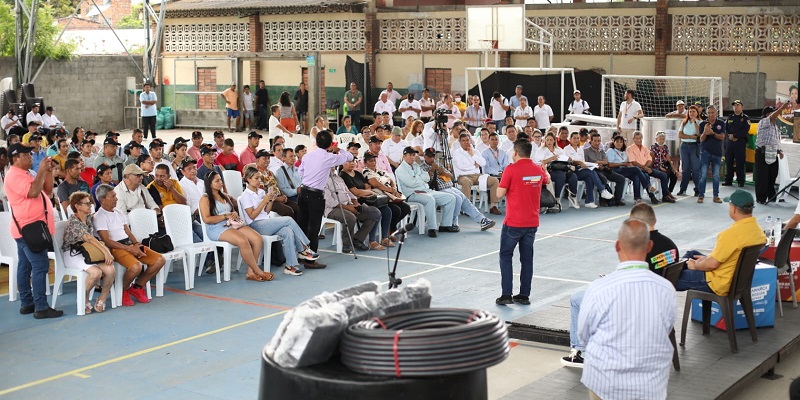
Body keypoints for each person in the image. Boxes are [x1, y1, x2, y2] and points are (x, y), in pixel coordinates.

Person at [577, 219, 676, 400]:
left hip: (605, 384)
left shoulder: (599, 288)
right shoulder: (667, 289)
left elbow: (584, 335)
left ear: (617, 246)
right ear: (650, 246)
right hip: (651, 387)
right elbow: (667, 328)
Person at [676, 189, 766, 298]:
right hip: (734, 279)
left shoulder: (731, 234)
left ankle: (679, 271)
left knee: (668, 277)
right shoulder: (758, 232)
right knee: (692, 253)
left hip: (717, 282)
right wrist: (706, 259)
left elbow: (712, 264)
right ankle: (682, 267)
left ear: (733, 209)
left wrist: (696, 266)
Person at [7, 143, 62, 318]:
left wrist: (47, 172)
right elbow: (32, 192)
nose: (31, 157)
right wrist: (40, 171)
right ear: (16, 159)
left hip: (28, 227)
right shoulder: (14, 176)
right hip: (29, 228)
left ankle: (27, 303)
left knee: (25, 266)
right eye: (26, 155)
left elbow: (46, 190)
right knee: (40, 266)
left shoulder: (26, 173)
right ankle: (40, 307)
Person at [495, 139, 548, 306]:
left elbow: (499, 194)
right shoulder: (537, 169)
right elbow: (546, 179)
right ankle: (524, 294)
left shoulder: (511, 169)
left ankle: (506, 294)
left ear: (515, 152)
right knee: (527, 259)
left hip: (513, 222)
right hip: (531, 221)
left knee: (505, 255)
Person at [94, 184, 165, 306]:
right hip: (115, 248)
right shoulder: (99, 216)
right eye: (113, 196)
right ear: (102, 200)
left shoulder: (118, 212)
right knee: (136, 267)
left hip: (128, 244)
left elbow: (127, 231)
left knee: (160, 260)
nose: (116, 198)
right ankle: (123, 290)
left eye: (116, 195)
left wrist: (136, 244)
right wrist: (129, 249)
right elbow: (107, 241)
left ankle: (137, 287)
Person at [241, 167, 318, 276]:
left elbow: (266, 212)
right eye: (256, 178)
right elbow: (252, 216)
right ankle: (303, 248)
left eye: (260, 178)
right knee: (288, 220)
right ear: (248, 179)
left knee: (287, 231)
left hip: (266, 222)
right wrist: (264, 201)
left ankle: (290, 266)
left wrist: (271, 200)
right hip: (255, 226)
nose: (259, 181)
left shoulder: (261, 192)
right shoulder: (245, 196)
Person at [200, 171, 274, 281]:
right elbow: (206, 219)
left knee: (257, 239)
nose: (221, 182)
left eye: (221, 180)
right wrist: (225, 216)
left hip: (231, 224)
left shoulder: (224, 196)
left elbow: (233, 211)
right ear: (209, 184)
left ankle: (250, 272)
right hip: (216, 227)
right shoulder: (205, 199)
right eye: (217, 181)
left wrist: (234, 214)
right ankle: (257, 270)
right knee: (243, 240)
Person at [297, 130, 353, 267]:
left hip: (303, 192)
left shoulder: (307, 156)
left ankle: (301, 254)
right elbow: (349, 157)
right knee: (314, 227)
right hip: (316, 195)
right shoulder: (329, 158)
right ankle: (310, 260)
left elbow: (300, 173)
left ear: (316, 142)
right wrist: (339, 149)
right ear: (329, 144)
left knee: (303, 225)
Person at [61, 192, 115, 314]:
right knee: (96, 273)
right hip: (72, 253)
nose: (90, 206)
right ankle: (83, 299)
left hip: (88, 251)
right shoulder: (73, 221)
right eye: (87, 204)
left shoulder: (89, 218)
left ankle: (102, 298)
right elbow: (89, 238)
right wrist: (106, 252)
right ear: (77, 206)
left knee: (110, 270)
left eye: (90, 203)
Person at [420, 148, 495, 231]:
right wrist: (432, 170)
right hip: (438, 189)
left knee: (464, 199)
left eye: (433, 156)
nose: (432, 159)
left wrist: (443, 172)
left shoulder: (437, 164)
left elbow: (451, 176)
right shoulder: (422, 168)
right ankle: (452, 222)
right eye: (430, 157)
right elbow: (424, 182)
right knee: (458, 198)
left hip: (449, 186)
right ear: (425, 156)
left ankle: (482, 220)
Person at [395, 146, 457, 237]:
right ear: (404, 156)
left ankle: (445, 225)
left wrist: (417, 178)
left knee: (450, 198)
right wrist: (420, 178)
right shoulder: (400, 169)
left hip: (426, 190)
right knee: (430, 199)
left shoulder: (416, 165)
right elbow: (411, 183)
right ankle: (432, 228)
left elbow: (427, 178)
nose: (412, 157)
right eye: (410, 155)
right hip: (412, 193)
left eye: (413, 155)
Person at [324, 167, 380, 253]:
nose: (333, 166)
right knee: (350, 217)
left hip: (349, 204)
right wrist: (348, 208)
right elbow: (330, 202)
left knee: (373, 213)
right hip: (333, 209)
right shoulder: (322, 180)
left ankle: (357, 239)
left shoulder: (338, 178)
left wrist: (355, 203)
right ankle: (347, 244)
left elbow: (348, 192)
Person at [361, 153, 412, 245]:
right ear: (365, 162)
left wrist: (394, 189)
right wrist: (389, 190)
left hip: (390, 195)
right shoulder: (366, 172)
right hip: (381, 198)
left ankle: (392, 228)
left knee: (406, 208)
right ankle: (388, 232)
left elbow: (391, 180)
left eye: (374, 160)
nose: (373, 163)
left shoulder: (380, 171)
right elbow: (376, 184)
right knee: (395, 210)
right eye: (370, 161)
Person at [339, 159, 389, 250]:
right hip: (358, 200)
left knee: (387, 210)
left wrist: (366, 192)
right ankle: (372, 240)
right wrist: (366, 193)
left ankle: (384, 237)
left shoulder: (358, 174)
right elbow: (355, 192)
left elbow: (368, 187)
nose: (351, 163)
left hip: (365, 198)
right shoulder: (343, 176)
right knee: (374, 212)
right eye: (348, 161)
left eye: (353, 161)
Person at [452, 133, 502, 214]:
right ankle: (466, 208)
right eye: (463, 141)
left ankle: (493, 206)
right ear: (460, 142)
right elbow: (461, 166)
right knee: (466, 182)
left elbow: (483, 163)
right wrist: (474, 165)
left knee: (494, 180)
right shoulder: (456, 152)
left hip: (478, 176)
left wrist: (472, 155)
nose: (466, 142)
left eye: (467, 140)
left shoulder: (475, 151)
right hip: (463, 176)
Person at [564, 132, 614, 208]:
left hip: (581, 169)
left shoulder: (580, 149)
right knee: (590, 172)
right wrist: (579, 162)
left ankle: (589, 201)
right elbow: (568, 162)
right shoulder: (566, 149)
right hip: (572, 171)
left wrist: (590, 165)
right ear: (570, 139)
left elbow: (583, 162)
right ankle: (602, 190)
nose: (576, 140)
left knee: (589, 177)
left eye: (577, 138)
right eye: (574, 138)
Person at [628, 131, 675, 203]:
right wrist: (644, 168)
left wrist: (645, 167)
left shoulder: (645, 148)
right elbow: (633, 162)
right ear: (633, 139)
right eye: (636, 138)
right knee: (644, 176)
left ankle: (665, 195)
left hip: (646, 168)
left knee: (663, 175)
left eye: (640, 138)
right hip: (636, 170)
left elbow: (649, 160)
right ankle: (650, 196)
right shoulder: (630, 149)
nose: (638, 140)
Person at [754, 105, 787, 204]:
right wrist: (781, 108)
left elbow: (775, 141)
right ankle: (761, 198)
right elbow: (772, 116)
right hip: (762, 152)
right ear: (767, 114)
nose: (776, 115)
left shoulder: (775, 127)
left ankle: (771, 196)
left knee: (772, 175)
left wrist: (779, 151)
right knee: (762, 176)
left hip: (772, 152)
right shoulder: (764, 122)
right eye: (772, 113)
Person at [536, 132, 579, 209]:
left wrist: (568, 159)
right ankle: (557, 198)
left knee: (573, 176)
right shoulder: (541, 150)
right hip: (549, 170)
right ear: (545, 140)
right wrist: (551, 158)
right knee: (561, 175)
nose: (549, 142)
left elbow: (565, 159)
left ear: (554, 141)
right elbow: (540, 163)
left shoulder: (559, 150)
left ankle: (573, 195)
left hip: (562, 168)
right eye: (547, 140)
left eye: (551, 140)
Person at [584, 132, 626, 207]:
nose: (597, 143)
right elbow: (585, 163)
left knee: (621, 178)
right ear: (591, 141)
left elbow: (606, 162)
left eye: (599, 141)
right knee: (603, 178)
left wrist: (598, 162)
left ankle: (617, 199)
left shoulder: (602, 151)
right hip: (594, 170)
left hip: (604, 169)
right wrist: (595, 164)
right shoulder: (586, 151)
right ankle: (602, 200)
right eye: (595, 141)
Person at [697, 105, 726, 203]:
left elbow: (722, 137)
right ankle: (701, 195)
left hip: (717, 153)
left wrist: (712, 133)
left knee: (716, 175)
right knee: (703, 175)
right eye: (709, 113)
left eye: (712, 113)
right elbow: (701, 139)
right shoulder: (702, 124)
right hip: (705, 152)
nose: (710, 115)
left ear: (716, 113)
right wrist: (705, 132)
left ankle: (716, 196)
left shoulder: (721, 123)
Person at [677, 105, 702, 197]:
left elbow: (699, 134)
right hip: (684, 146)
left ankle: (698, 189)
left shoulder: (700, 122)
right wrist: (691, 136)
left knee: (695, 169)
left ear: (697, 113)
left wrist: (695, 122)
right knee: (685, 169)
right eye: (690, 112)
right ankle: (683, 189)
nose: (691, 113)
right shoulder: (684, 122)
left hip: (694, 146)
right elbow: (680, 135)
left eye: (693, 112)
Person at [724, 100, 750, 188]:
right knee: (729, 161)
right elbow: (726, 128)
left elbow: (745, 131)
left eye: (738, 105)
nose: (735, 107)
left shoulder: (745, 118)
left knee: (740, 162)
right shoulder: (730, 117)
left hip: (739, 143)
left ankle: (740, 181)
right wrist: (730, 136)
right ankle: (728, 180)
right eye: (734, 105)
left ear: (742, 107)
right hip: (730, 143)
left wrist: (735, 136)